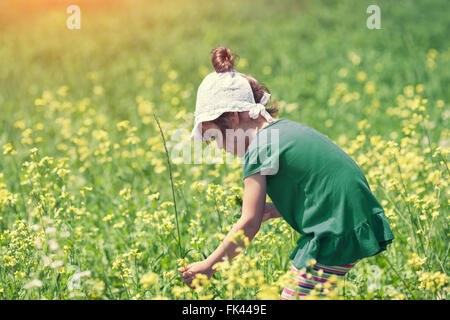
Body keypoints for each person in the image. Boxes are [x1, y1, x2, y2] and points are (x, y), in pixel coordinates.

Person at [179, 46, 394, 299]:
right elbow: (317, 183)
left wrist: (208, 267)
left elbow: (249, 222)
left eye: (216, 137)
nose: (220, 147)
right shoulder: (284, 130)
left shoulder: (257, 150)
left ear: (234, 120)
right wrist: (277, 208)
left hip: (335, 229)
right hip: (353, 217)